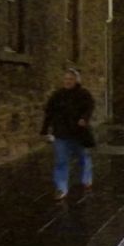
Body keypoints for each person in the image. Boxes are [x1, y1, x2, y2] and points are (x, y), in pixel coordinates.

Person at [41, 69, 96, 201]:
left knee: (83, 157)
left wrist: (84, 118)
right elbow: (49, 113)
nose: (68, 81)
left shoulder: (83, 94)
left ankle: (86, 180)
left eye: (70, 79)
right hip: (61, 132)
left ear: (76, 80)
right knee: (61, 160)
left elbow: (89, 107)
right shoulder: (57, 95)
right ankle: (61, 188)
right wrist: (44, 129)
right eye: (66, 79)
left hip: (78, 132)